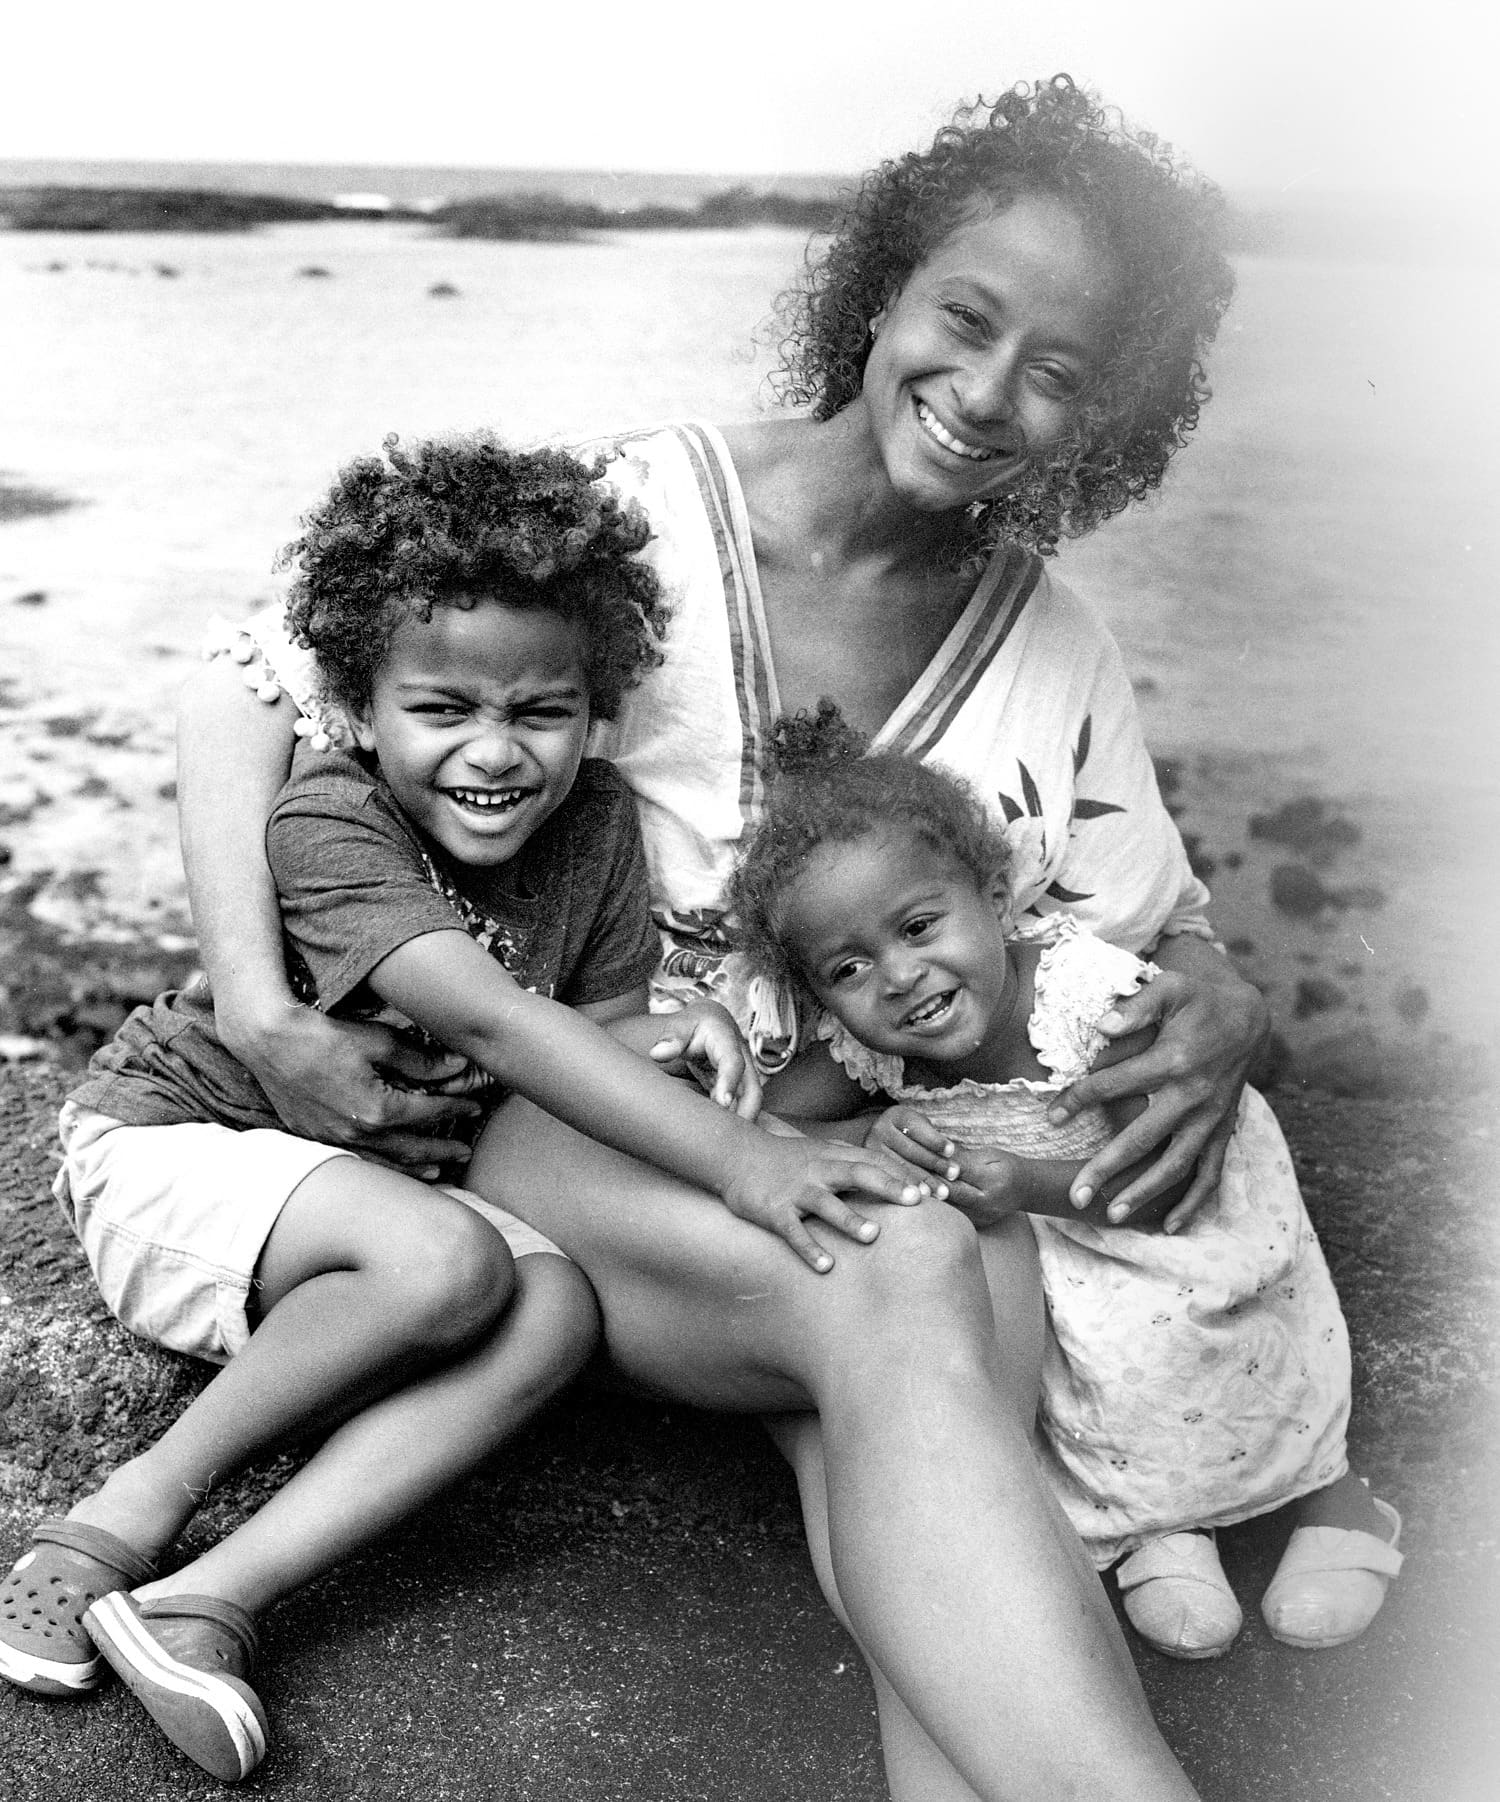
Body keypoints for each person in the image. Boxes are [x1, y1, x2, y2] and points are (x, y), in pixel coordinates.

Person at [172, 75, 1300, 1802]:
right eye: (966, 318)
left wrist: (1229, 999)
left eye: (1062, 373)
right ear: (887, 289)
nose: (989, 393)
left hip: (826, 1182)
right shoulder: (631, 512)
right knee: (921, 1273)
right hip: (574, 1138)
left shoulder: (1057, 645)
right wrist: (260, 1004)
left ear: (1111, 413)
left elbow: (1161, 918)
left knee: (937, 1354)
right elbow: (246, 697)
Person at [0, 437, 920, 1783]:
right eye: (443, 707)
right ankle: (110, 1524)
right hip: (174, 1149)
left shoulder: (597, 827)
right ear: (361, 709)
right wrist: (745, 1162)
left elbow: (587, 1016)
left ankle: (206, 1603)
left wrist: (679, 1021)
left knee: (552, 1304)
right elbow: (488, 1013)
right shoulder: (328, 821)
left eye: (541, 710)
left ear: (596, 710)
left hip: (347, 1214)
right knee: (455, 1254)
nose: (495, 753)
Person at [728, 704, 1404, 1659]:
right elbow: (779, 1121)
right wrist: (873, 1128)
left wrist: (1021, 1184)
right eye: (848, 967)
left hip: (1165, 1222)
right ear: (816, 990)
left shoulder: (1092, 1000)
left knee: (1196, 1349)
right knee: (1081, 1374)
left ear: (993, 900)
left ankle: (1339, 1500)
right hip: (1058, 1255)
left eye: (921, 925)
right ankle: (1162, 1527)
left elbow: (1166, 1187)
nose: (901, 976)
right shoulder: (869, 1050)